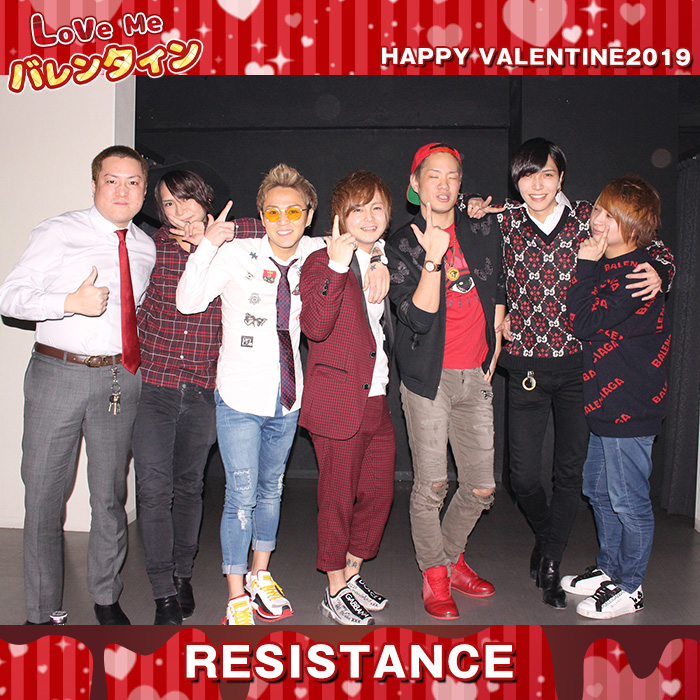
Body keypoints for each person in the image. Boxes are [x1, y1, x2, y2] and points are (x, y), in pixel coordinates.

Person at [176, 163, 389, 625]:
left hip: (288, 397)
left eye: (294, 211)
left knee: (272, 491)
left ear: (309, 215)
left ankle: (260, 575)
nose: (284, 220)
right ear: (262, 216)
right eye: (273, 212)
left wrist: (378, 261)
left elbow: (367, 235)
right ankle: (236, 593)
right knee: (241, 495)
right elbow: (187, 301)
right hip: (239, 396)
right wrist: (208, 244)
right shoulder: (235, 253)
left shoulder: (317, 250)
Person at [481, 138, 675, 609]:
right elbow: (482, 260)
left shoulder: (590, 218)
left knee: (584, 479)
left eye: (547, 174)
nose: (537, 185)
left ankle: (579, 567)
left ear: (562, 177)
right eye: (527, 176)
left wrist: (663, 270)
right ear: (515, 181)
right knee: (533, 478)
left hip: (582, 371)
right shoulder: (506, 219)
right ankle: (576, 549)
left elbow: (651, 241)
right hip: (533, 363)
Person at [0, 145, 156, 625]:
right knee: (44, 496)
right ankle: (42, 610)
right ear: (94, 185)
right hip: (58, 374)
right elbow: (10, 298)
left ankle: (107, 598)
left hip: (119, 378)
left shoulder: (145, 247)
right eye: (112, 180)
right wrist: (69, 301)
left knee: (109, 496)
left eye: (133, 182)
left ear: (144, 191)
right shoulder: (59, 232)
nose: (122, 191)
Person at [133, 169, 264, 624]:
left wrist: (217, 235)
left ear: (206, 200)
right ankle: (163, 592)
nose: (178, 212)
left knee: (189, 485)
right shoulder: (153, 245)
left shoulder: (233, 242)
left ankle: (182, 574)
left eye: (186, 200)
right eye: (168, 204)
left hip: (206, 387)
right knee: (153, 489)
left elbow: (280, 225)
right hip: (156, 384)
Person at [385, 143, 505, 620]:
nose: (444, 184)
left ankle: (451, 559)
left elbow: (499, 277)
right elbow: (416, 318)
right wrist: (433, 259)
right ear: (415, 185)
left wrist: (497, 328)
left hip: (474, 374)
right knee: (432, 484)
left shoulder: (480, 226)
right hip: (427, 380)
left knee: (480, 487)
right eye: (433, 175)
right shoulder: (403, 243)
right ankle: (434, 574)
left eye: (452, 176)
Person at [561, 175, 670, 619]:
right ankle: (609, 569)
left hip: (631, 407)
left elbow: (583, 322)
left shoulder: (637, 274)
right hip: (606, 405)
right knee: (598, 490)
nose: (597, 220)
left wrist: (584, 268)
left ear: (634, 227)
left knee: (629, 501)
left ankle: (631, 586)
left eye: (610, 215)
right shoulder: (614, 262)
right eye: (598, 210)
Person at [299, 170, 395, 625]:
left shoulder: (378, 257)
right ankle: (335, 588)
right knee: (337, 498)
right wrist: (338, 267)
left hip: (376, 396)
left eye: (377, 208)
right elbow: (315, 326)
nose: (369, 217)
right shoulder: (320, 260)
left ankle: (353, 574)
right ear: (340, 215)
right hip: (338, 402)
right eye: (358, 209)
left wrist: (376, 258)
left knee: (378, 494)